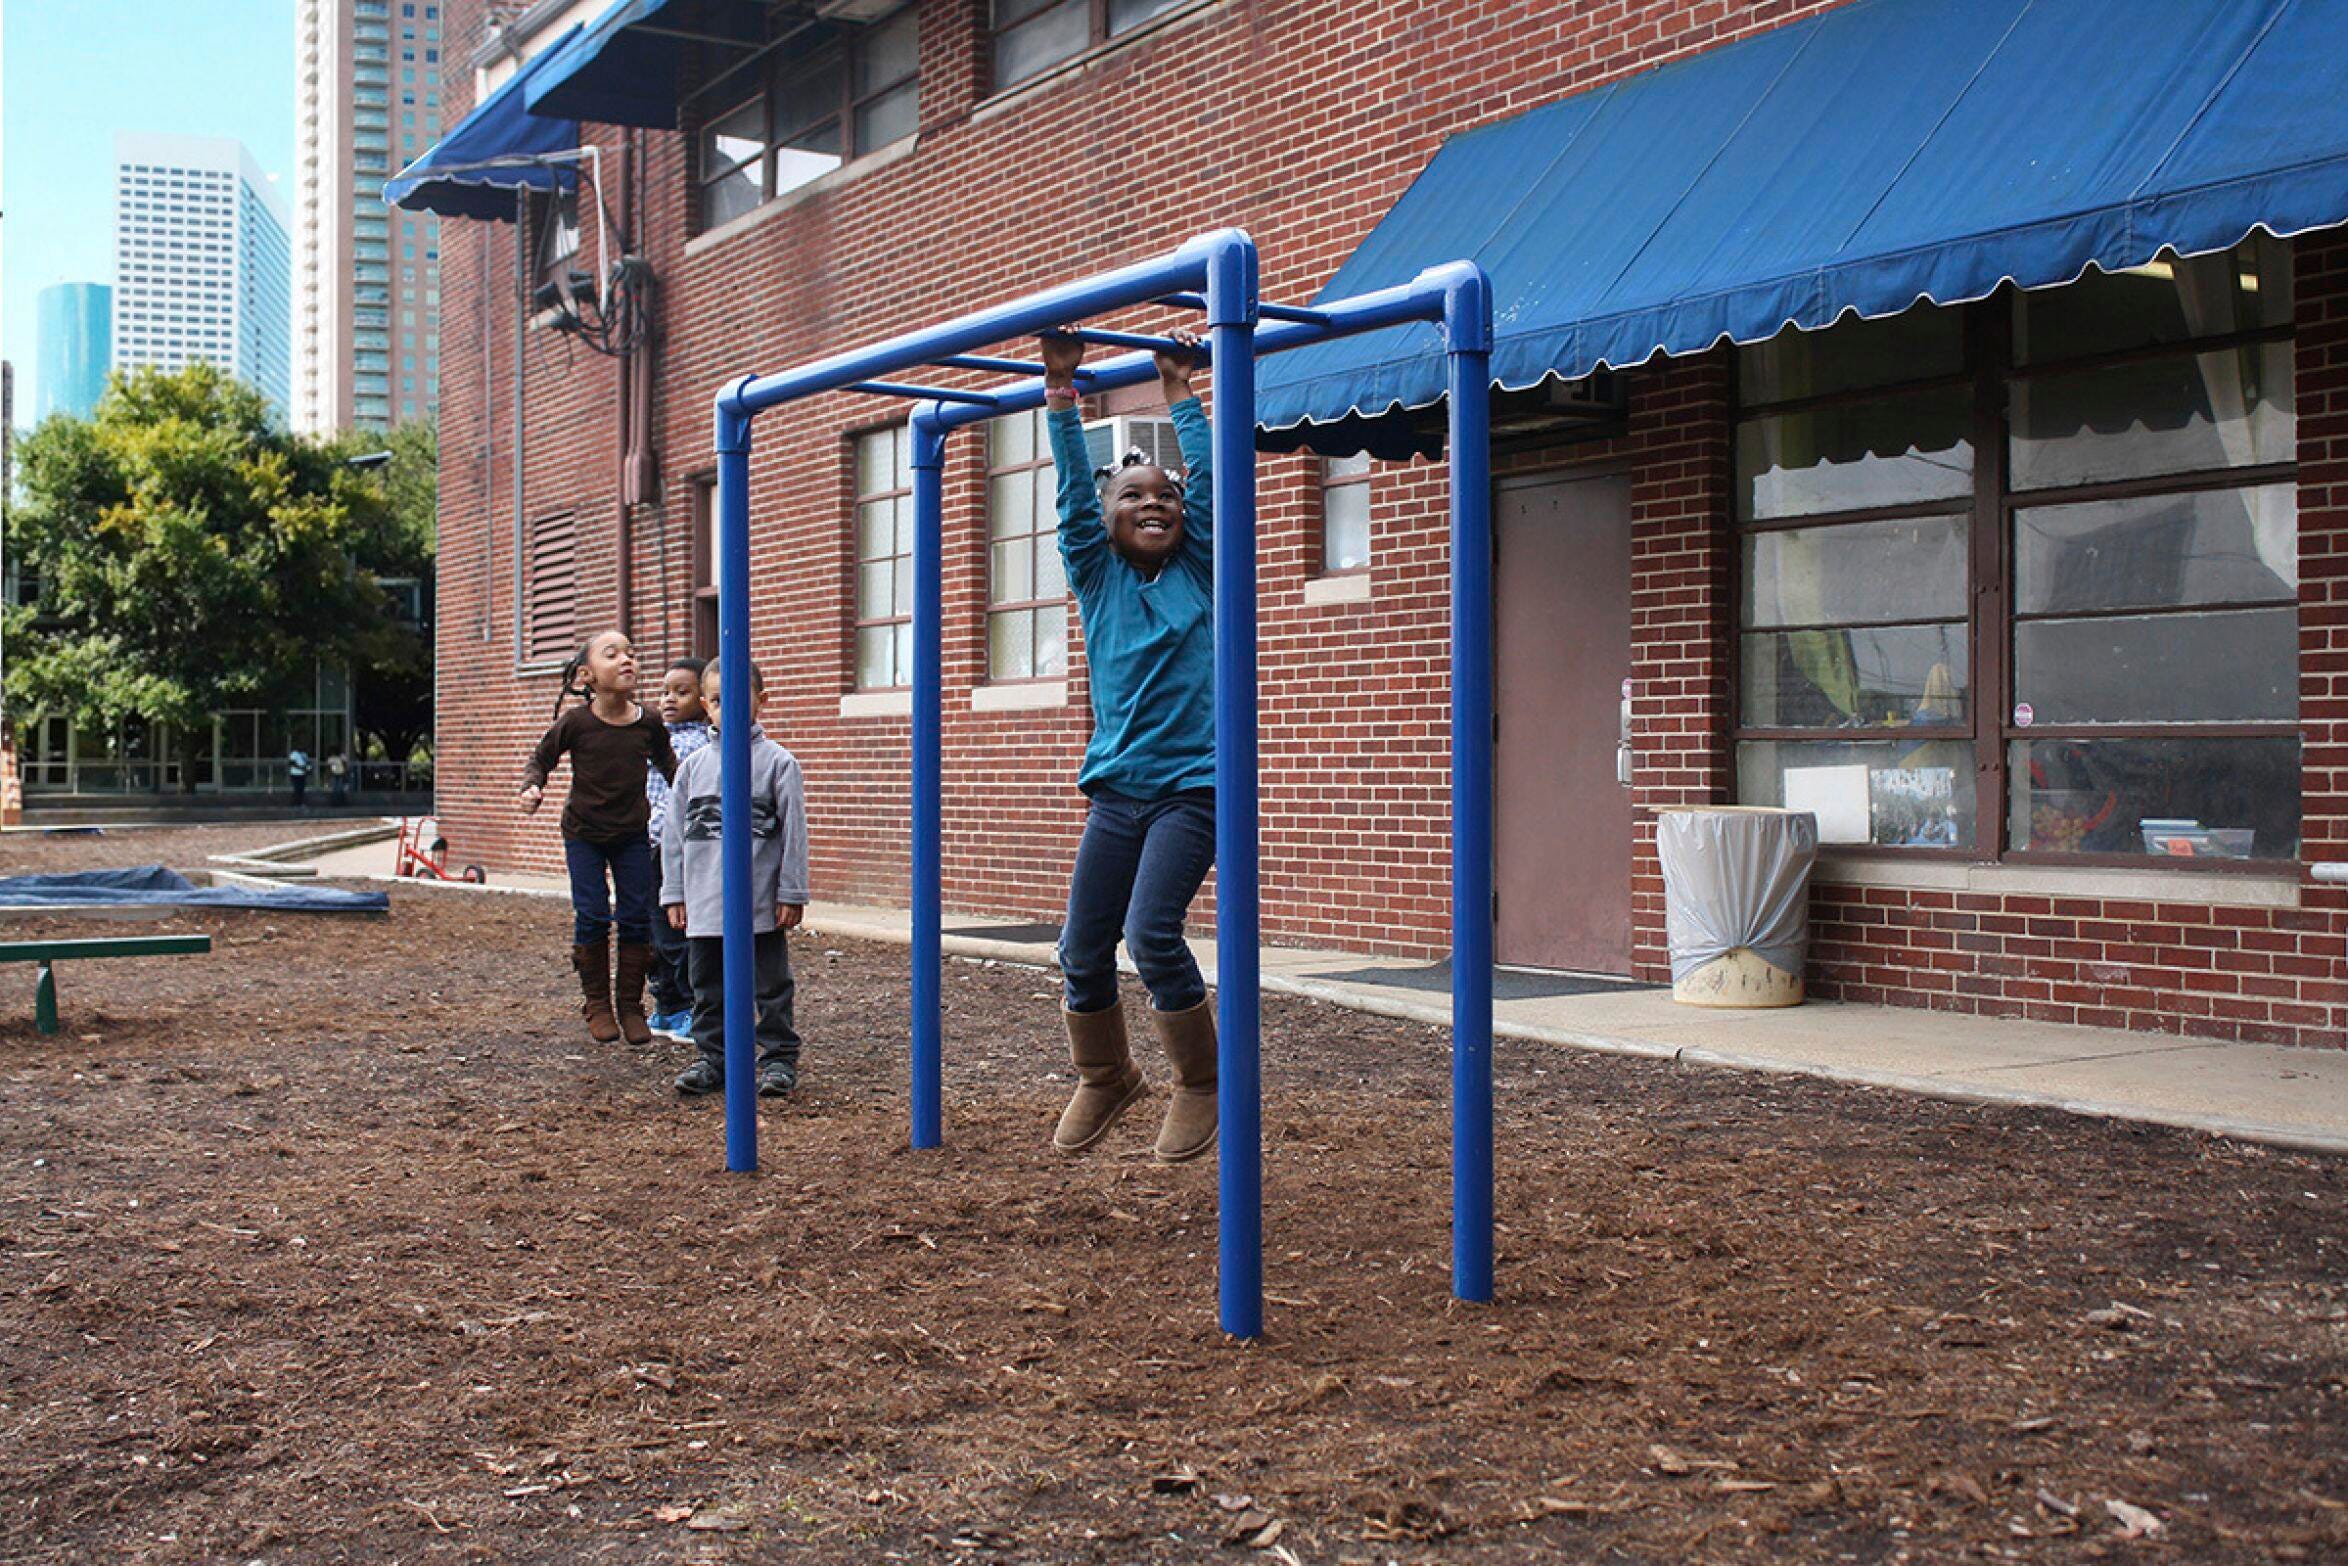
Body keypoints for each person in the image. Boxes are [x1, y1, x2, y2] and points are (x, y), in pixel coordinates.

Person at [1034, 325, 1218, 1164]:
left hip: (1191, 790)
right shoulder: (1098, 578)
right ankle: (1106, 1073)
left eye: (1166, 497)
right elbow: (1072, 495)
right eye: (1133, 496)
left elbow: (1211, 485)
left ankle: (1202, 1079)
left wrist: (1181, 392)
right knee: (1079, 945)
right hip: (1117, 795)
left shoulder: (1202, 572)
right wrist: (1061, 394)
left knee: (1151, 936)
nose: (1153, 504)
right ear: (1106, 522)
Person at [521, 629, 679, 1047]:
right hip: (584, 834)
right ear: (587, 674)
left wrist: (698, 798)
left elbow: (672, 770)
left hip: (631, 835)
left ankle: (630, 1005)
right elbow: (541, 759)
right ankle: (597, 1005)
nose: (627, 660)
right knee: (591, 914)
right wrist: (532, 788)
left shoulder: (648, 722)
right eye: (613, 655)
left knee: (635, 916)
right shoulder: (576, 722)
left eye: (631, 652)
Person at [661, 659, 807, 1099]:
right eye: (719, 701)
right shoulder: (692, 768)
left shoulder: (779, 763)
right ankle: (714, 1059)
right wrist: (674, 893)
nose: (728, 708)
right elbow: (674, 836)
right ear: (706, 706)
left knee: (770, 985)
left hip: (760, 902)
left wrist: (791, 891)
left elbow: (794, 833)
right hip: (704, 901)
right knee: (707, 987)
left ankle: (778, 1058)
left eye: (740, 698)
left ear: (762, 701)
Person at [645, 657, 713, 1041]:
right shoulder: (654, 736)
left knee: (677, 928)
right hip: (646, 842)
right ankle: (667, 1003)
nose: (669, 699)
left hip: (676, 848)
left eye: (682, 692)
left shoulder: (700, 745)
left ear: (703, 700)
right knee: (650, 930)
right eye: (664, 691)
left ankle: (692, 1006)